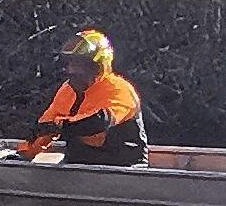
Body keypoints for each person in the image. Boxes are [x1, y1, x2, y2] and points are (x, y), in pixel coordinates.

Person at [18, 28, 149, 166]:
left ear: (97, 65)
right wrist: (25, 153)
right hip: (80, 168)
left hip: (124, 170)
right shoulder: (67, 90)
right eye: (69, 62)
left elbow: (98, 121)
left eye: (79, 63)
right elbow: (45, 126)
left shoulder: (119, 89)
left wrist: (60, 125)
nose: (71, 70)